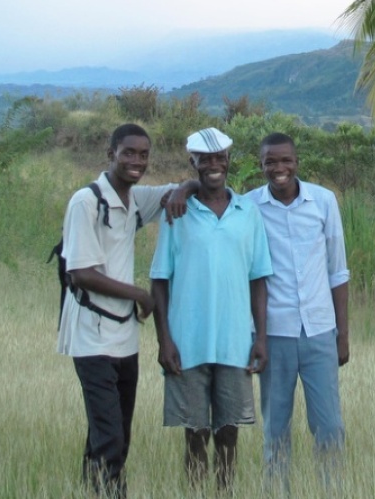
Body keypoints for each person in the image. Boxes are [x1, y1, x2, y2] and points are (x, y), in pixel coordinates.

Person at [57, 122, 194, 498]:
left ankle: (95, 490)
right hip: (91, 337)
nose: (137, 161)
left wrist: (185, 188)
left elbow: (184, 187)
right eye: (128, 153)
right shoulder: (86, 202)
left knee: (115, 433)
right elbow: (81, 273)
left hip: (124, 339)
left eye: (144, 154)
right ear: (110, 153)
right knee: (109, 437)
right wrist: (140, 294)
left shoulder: (134, 199)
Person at [151, 127, 274, 491]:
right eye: (205, 159)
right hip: (187, 342)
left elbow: (259, 280)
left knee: (229, 432)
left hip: (235, 342)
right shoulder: (176, 212)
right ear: (193, 163)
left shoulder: (247, 213)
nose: (213, 165)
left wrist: (260, 338)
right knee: (195, 433)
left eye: (220, 157)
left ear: (229, 161)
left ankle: (225, 491)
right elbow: (159, 280)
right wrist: (164, 341)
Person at [245, 132, 350, 492]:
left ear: (297, 162)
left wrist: (342, 335)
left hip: (320, 332)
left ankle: (332, 488)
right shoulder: (249, 207)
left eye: (285, 160)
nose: (279, 169)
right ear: (260, 166)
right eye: (270, 162)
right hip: (274, 334)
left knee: (330, 425)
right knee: (276, 427)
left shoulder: (323, 202)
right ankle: (277, 491)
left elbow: (338, 271)